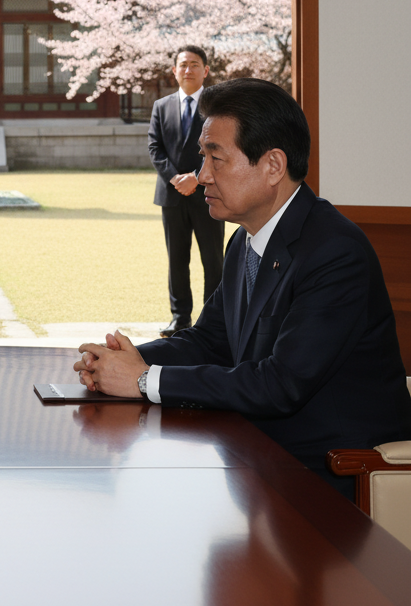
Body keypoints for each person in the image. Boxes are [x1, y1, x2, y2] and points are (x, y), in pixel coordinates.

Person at [76, 78, 411, 498]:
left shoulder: (335, 252)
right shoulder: (245, 239)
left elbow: (280, 384)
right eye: (203, 158)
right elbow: (210, 340)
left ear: (273, 166)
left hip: (333, 476)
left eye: (216, 159)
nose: (202, 176)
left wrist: (144, 380)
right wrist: (124, 360)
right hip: (258, 461)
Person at [148, 45, 225, 336]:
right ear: (174, 70)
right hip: (171, 197)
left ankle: (213, 320)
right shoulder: (161, 106)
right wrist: (175, 179)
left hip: (209, 194)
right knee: (177, 260)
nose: (188, 69)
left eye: (194, 64)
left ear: (206, 71)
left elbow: (221, 147)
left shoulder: (216, 106)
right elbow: (155, 148)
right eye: (183, 64)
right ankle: (180, 319)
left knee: (213, 259)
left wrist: (195, 177)